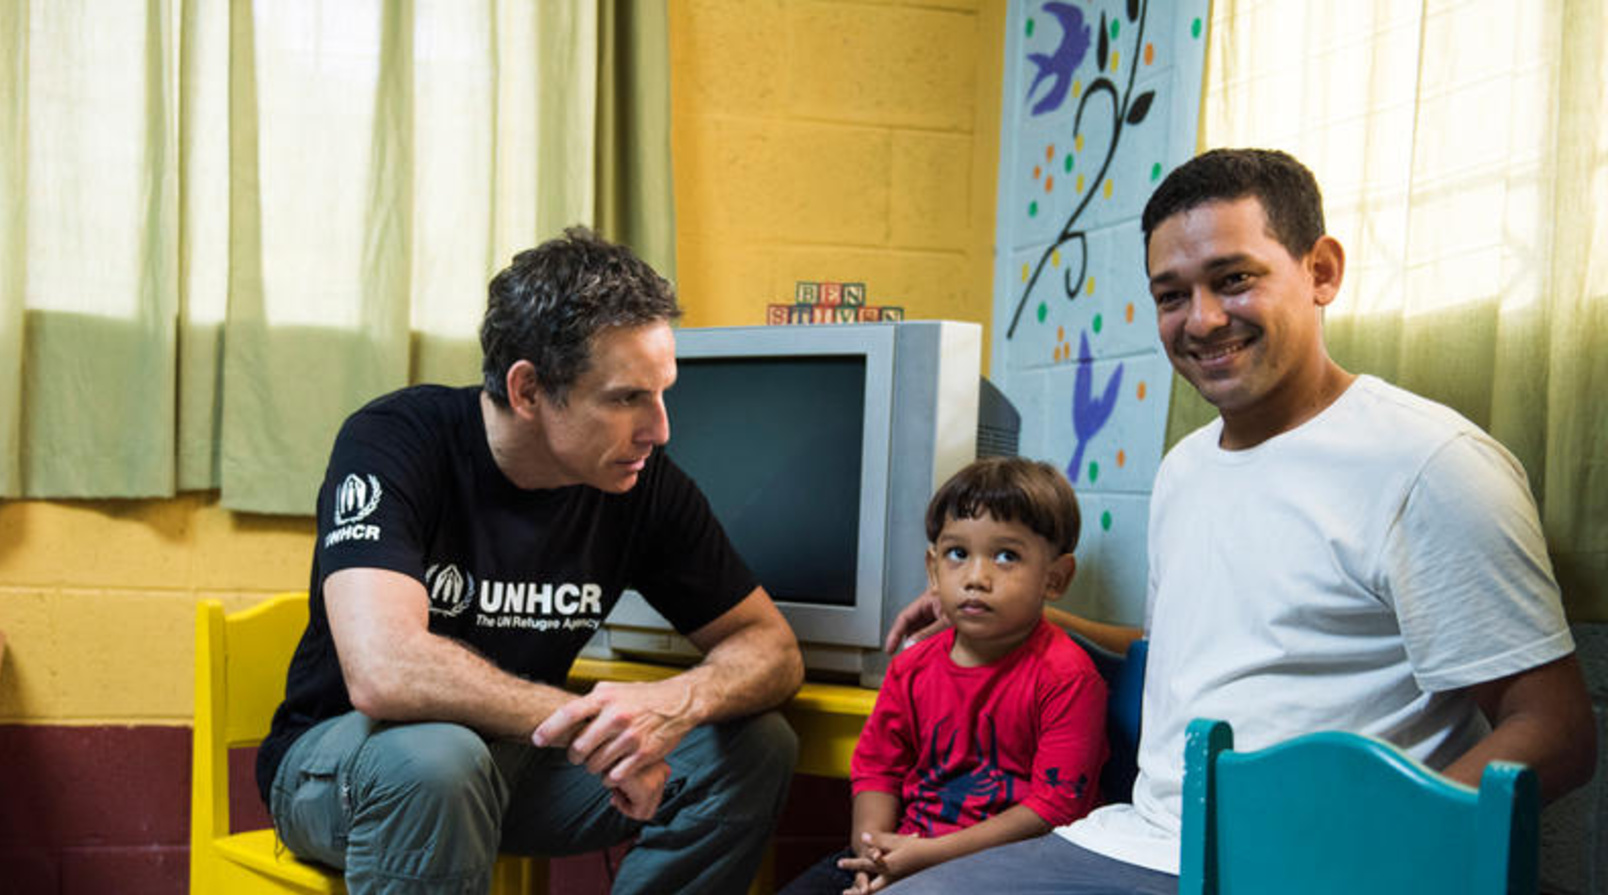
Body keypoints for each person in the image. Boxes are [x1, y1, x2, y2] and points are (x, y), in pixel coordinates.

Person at [881, 148, 1596, 893]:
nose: (1203, 319)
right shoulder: (1185, 468)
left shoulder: (1430, 464)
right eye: (1171, 295)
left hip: (1310, 869)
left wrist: (1376, 848)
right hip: (1140, 842)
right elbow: (1193, 651)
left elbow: (1558, 731)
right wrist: (1018, 615)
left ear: (1322, 271)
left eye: (1234, 280)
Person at [255, 227, 805, 894]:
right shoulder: (397, 440)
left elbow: (772, 649)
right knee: (440, 759)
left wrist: (674, 705)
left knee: (755, 745)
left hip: (521, 762)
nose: (659, 429)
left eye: (662, 393)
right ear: (527, 390)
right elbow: (384, 671)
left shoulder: (639, 483)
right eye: (625, 398)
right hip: (350, 766)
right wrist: (594, 728)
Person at [778, 457, 1108, 895]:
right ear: (933, 570)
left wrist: (930, 856)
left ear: (1056, 578)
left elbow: (1055, 809)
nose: (976, 578)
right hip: (905, 852)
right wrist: (871, 852)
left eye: (1006, 556)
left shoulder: (1068, 678)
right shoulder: (910, 669)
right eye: (958, 554)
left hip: (1008, 871)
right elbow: (877, 770)